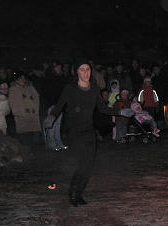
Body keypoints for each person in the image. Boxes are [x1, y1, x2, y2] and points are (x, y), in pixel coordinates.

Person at [49, 58, 122, 207]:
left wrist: (121, 111)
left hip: (89, 131)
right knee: (81, 165)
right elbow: (59, 106)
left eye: (88, 69)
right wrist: (51, 117)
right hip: (74, 132)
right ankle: (73, 193)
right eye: (82, 69)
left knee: (88, 166)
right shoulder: (70, 88)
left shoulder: (94, 88)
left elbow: (102, 108)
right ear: (76, 72)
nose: (86, 73)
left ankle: (79, 193)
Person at [8, 71, 41, 145]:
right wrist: (20, 113)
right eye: (20, 78)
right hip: (22, 118)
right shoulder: (13, 88)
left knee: (34, 142)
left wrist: (36, 110)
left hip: (33, 117)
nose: (23, 79)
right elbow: (13, 103)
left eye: (24, 78)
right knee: (24, 140)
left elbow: (37, 97)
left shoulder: (29, 87)